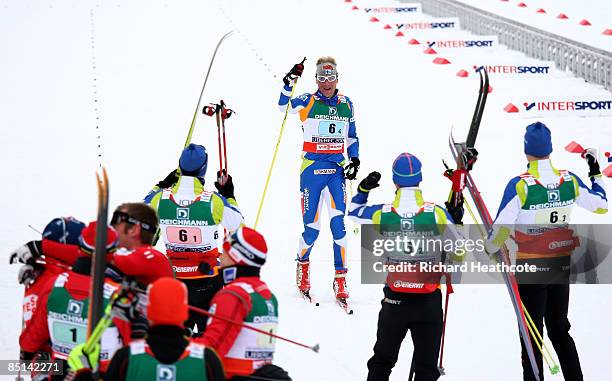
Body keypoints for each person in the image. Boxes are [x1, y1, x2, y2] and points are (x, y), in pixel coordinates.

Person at [486, 121, 608, 381]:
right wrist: (595, 171)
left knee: (531, 336)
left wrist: (494, 247)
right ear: (550, 149)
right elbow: (600, 206)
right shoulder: (569, 180)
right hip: (559, 267)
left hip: (531, 269)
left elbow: (496, 237)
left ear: (526, 150)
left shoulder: (520, 185)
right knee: (560, 329)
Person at [348, 153, 466, 381]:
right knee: (426, 368)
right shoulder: (437, 213)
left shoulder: (383, 213)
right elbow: (459, 253)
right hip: (429, 303)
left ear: (395, 181)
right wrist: (456, 223)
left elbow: (352, 212)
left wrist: (363, 190)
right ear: (419, 179)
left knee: (382, 361)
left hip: (395, 303)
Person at [279, 56, 360, 301]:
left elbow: (352, 136)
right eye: (322, 78)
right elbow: (283, 107)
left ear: (337, 79)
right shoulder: (308, 100)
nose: (327, 83)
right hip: (312, 170)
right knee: (312, 231)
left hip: (335, 171)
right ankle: (302, 264)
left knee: (339, 227)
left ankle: (340, 278)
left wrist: (354, 160)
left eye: (331, 78)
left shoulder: (347, 104)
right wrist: (289, 81)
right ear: (316, 79)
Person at [145, 143, 244, 335]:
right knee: (210, 340)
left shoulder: (160, 198)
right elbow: (238, 225)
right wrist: (229, 195)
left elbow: (141, 211)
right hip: (207, 281)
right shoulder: (212, 201)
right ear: (204, 170)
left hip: (175, 281)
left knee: (176, 341)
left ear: (180, 167)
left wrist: (160, 185)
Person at [19, 222, 130, 378]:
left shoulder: (54, 285)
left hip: (60, 373)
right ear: (112, 253)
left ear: (79, 248)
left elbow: (30, 341)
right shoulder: (117, 295)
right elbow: (137, 347)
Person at [68, 277, 226, 381]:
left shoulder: (126, 357)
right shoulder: (207, 359)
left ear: (149, 311)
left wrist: (83, 372)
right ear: (185, 312)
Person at [199, 226, 291, 381]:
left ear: (236, 256)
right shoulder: (266, 295)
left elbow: (210, 351)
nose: (220, 259)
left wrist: (176, 343)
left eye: (225, 253)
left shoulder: (233, 295)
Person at [110, 202, 173, 286]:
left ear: (133, 230)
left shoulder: (152, 257)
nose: (112, 228)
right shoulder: (128, 254)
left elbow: (102, 261)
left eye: (117, 222)